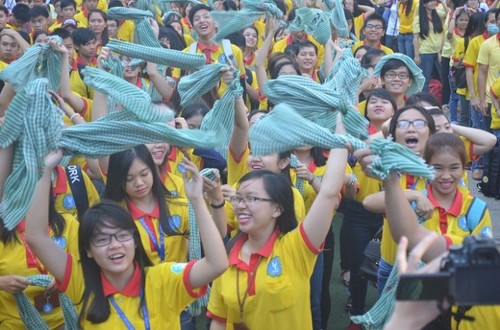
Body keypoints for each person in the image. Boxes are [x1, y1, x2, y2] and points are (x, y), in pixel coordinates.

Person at [25, 152, 229, 329]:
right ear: (87, 250)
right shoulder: (82, 281)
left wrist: (196, 201)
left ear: (135, 240)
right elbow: (36, 237)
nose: (115, 245)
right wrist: (44, 171)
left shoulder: (162, 278)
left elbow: (217, 264)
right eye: (103, 239)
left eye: (123, 236)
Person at [207, 117, 348, 330]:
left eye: (252, 199)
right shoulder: (228, 256)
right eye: (239, 198)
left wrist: (340, 122)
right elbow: (218, 319)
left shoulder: (295, 249)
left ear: (277, 208)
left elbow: (329, 194)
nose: (241, 206)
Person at [362, 105, 436, 293]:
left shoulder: (443, 169)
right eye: (403, 124)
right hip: (391, 262)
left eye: (420, 123)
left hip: (430, 266)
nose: (411, 128)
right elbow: (369, 202)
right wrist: (413, 195)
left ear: (431, 132)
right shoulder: (389, 167)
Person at [345, 89, 395, 328]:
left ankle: (384, 313)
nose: (378, 104)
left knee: (390, 267)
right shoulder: (356, 134)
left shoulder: (403, 137)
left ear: (394, 112)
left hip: (393, 213)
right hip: (359, 212)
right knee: (358, 267)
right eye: (373, 101)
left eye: (385, 101)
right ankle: (357, 313)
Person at [413, 0, 448, 92]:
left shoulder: (438, 14)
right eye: (430, 1)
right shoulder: (418, 19)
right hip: (425, 52)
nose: (433, 3)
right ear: (424, 4)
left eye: (434, 1)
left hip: (440, 51)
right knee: (425, 79)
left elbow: (449, 14)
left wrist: (442, 2)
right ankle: (424, 100)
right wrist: (416, 55)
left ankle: (444, 101)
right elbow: (415, 38)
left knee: (445, 78)